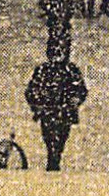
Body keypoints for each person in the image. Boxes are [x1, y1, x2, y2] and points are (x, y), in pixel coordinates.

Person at [24, 36, 89, 172]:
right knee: (49, 137)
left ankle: (54, 159)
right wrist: (37, 104)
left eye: (60, 51)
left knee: (61, 138)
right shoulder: (43, 70)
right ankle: (53, 159)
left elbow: (81, 90)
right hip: (47, 110)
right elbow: (31, 91)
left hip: (64, 111)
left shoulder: (71, 70)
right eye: (54, 51)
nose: (57, 55)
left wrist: (76, 100)